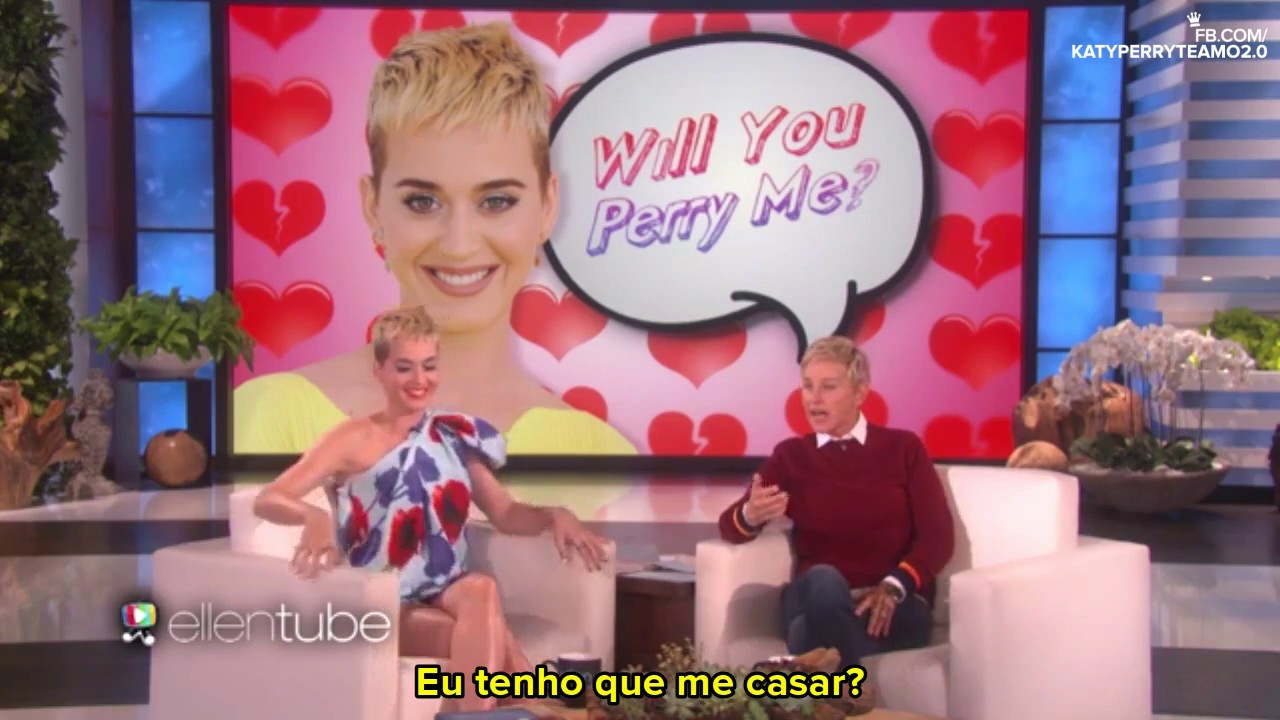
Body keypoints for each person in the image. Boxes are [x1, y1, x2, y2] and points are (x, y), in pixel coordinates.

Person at [233, 22, 636, 460]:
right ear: (373, 207)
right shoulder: (269, 415)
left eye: (497, 201)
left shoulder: (602, 451)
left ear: (547, 205)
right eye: (423, 202)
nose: (459, 245)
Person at [253, 306, 611, 714]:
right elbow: (270, 498)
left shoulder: (452, 434)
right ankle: (537, 705)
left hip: (445, 588)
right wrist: (314, 518)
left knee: (481, 590)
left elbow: (505, 512)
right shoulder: (352, 437)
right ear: (380, 370)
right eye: (404, 367)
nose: (419, 380)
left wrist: (554, 515)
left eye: (429, 366)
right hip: (383, 598)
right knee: (487, 634)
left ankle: (519, 709)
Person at [718, 336, 955, 670]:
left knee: (806, 633)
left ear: (860, 392)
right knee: (825, 580)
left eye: (828, 387)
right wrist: (750, 514)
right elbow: (729, 527)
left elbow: (938, 537)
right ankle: (844, 687)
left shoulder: (904, 449)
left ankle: (812, 662)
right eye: (807, 386)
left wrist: (893, 587)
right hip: (816, 596)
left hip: (891, 601)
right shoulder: (791, 456)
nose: (814, 399)